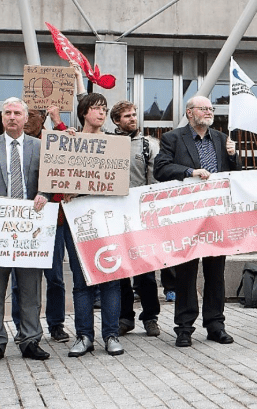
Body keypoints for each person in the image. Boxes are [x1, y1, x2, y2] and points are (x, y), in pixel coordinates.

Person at [0, 97, 52, 364]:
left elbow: (50, 183)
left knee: (30, 289)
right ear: (2, 118)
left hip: (30, 233)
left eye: (17, 112)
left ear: (26, 118)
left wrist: (45, 195)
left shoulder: (41, 147)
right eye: (7, 113)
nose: (12, 117)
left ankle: (30, 340)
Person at [153, 96, 239, 347]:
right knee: (186, 274)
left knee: (216, 274)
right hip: (187, 218)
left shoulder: (223, 140)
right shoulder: (173, 138)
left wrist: (234, 157)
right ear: (190, 113)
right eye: (204, 108)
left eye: (211, 108)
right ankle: (184, 328)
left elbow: (236, 175)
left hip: (216, 217)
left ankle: (215, 325)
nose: (209, 112)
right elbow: (161, 169)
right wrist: (190, 173)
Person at [62, 93, 124, 357]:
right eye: (97, 108)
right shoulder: (68, 142)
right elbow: (55, 177)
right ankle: (84, 336)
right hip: (76, 219)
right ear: (84, 112)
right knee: (81, 281)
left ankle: (110, 335)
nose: (102, 113)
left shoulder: (114, 144)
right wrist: (61, 190)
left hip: (106, 218)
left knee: (110, 278)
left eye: (105, 109)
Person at [11, 108, 69, 343]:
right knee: (19, 279)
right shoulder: (12, 144)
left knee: (54, 276)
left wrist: (58, 122)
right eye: (27, 116)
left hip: (52, 220)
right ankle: (22, 325)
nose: (28, 122)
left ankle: (56, 324)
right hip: (20, 221)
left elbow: (69, 151)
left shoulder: (52, 140)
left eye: (34, 116)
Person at [111, 100, 163, 338]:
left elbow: (155, 181)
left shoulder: (149, 145)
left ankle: (150, 317)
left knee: (146, 272)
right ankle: (125, 318)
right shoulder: (106, 143)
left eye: (134, 115)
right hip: (115, 216)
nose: (132, 119)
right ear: (116, 121)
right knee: (121, 271)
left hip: (141, 216)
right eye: (126, 116)